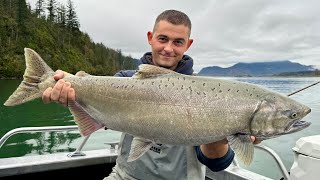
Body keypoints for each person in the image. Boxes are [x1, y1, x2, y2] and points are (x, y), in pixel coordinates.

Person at [42, 9, 260, 180]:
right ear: (150, 37)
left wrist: (219, 137)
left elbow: (216, 164)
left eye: (177, 42)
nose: (168, 48)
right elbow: (100, 117)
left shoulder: (204, 95)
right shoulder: (125, 80)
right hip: (126, 177)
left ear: (188, 44)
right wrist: (65, 87)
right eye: (162, 39)